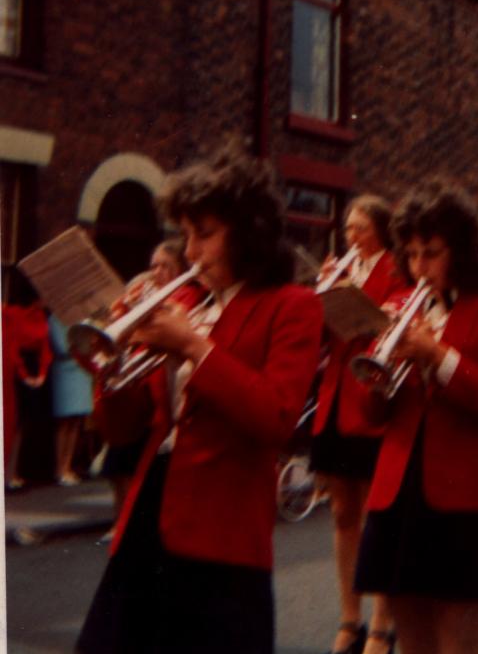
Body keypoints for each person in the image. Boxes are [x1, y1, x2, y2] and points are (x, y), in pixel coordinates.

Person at [77, 144, 323, 654]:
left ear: (249, 232)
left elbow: (278, 416)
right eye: (186, 235)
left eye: (204, 235)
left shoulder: (291, 306)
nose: (190, 252)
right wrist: (109, 369)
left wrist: (192, 346)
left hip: (224, 536)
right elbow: (123, 430)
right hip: (151, 517)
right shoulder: (186, 304)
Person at [353, 180, 478, 654]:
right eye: (410, 254)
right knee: (412, 645)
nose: (418, 267)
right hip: (399, 494)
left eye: (431, 253)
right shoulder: (396, 309)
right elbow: (371, 413)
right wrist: (381, 372)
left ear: (462, 250)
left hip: (465, 501)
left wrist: (439, 357)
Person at [309, 195, 402, 654]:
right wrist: (325, 295)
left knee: (374, 515)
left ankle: (383, 623)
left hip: (368, 400)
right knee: (343, 512)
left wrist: (355, 301)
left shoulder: (396, 271)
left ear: (381, 232)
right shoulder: (342, 271)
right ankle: (350, 617)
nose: (350, 238)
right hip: (334, 401)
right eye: (347, 229)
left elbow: (391, 324)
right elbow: (318, 335)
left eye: (360, 228)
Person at [99, 238, 188, 542]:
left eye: (166, 266)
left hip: (168, 422)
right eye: (154, 266)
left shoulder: (185, 305)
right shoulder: (143, 305)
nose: (158, 272)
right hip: (143, 415)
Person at [2, 301, 52, 490]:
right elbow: (12, 347)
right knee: (13, 424)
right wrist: (26, 375)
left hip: (29, 372)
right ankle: (9, 473)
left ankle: (13, 472)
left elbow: (43, 346)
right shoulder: (12, 314)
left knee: (21, 424)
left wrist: (39, 373)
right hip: (17, 373)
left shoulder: (36, 315)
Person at [48, 313, 93, 484]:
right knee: (64, 422)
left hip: (81, 370)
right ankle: (60, 469)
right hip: (65, 371)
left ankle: (67, 466)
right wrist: (80, 346)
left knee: (76, 421)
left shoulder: (78, 319)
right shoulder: (55, 319)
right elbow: (61, 347)